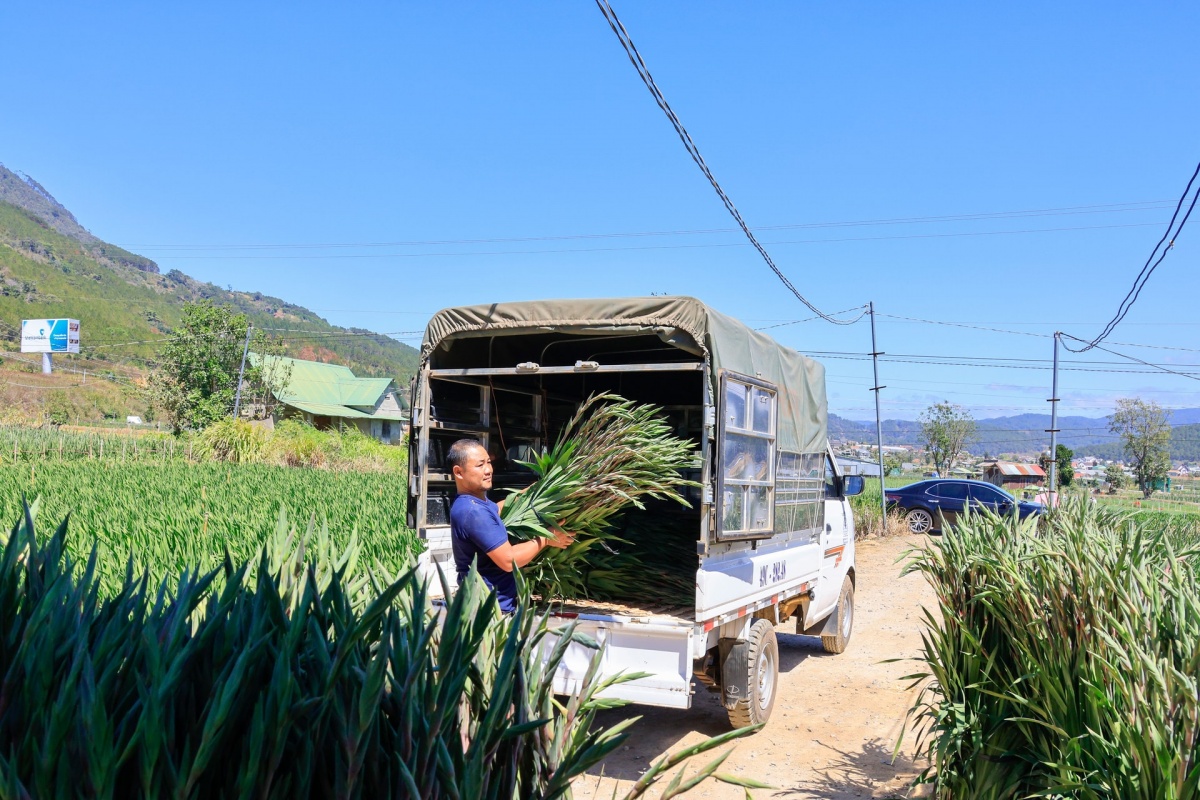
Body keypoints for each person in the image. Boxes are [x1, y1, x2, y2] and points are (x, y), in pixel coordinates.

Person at [447, 438, 573, 612]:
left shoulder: (475, 504)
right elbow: (508, 560)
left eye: (489, 463)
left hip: (491, 607)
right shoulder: (473, 512)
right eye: (480, 465)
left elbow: (496, 510)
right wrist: (546, 538)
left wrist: (533, 492)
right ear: (459, 472)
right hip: (487, 613)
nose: (488, 470)